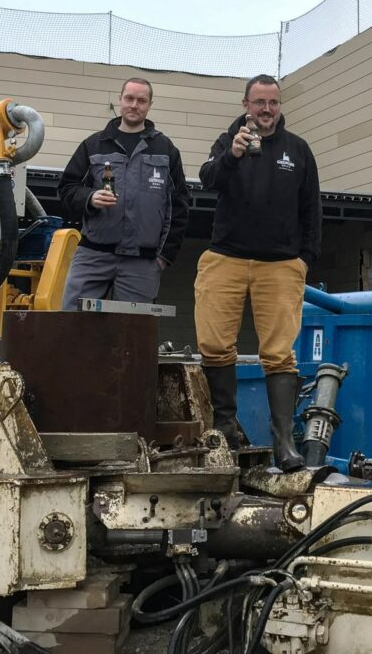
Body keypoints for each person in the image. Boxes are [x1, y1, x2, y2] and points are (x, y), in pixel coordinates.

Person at [194, 74, 321, 471]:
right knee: (214, 345)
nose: (266, 109)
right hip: (226, 257)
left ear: (279, 106)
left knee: (280, 355)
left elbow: (311, 210)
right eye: (259, 102)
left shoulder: (298, 150)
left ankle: (284, 442)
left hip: (281, 264)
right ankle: (225, 433)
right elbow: (208, 178)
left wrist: (304, 259)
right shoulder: (227, 141)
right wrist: (232, 154)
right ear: (245, 104)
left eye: (273, 103)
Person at [58, 78, 189, 309]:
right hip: (92, 256)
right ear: (120, 100)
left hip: (142, 262)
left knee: (132, 333)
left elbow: (179, 205)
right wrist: (89, 198)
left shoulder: (165, 150)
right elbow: (67, 188)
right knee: (73, 322)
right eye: (129, 98)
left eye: (141, 100)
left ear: (149, 105)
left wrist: (163, 256)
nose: (134, 105)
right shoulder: (94, 144)